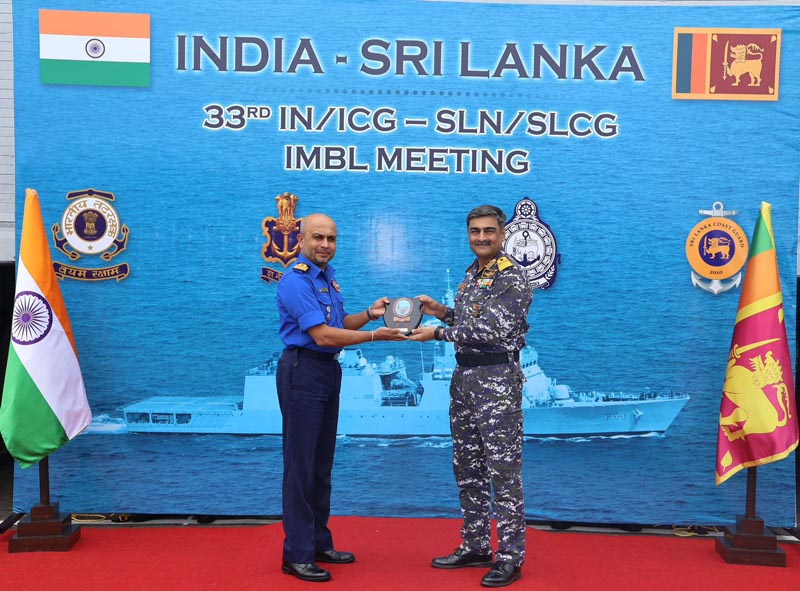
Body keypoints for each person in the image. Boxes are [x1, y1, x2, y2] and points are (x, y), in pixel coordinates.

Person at [276, 213, 408, 582]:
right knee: (300, 467)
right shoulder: (296, 281)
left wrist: (369, 315)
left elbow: (338, 325)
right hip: (303, 371)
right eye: (318, 237)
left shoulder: (326, 278)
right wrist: (376, 337)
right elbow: (322, 336)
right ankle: (296, 554)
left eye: (331, 239)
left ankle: (318, 543)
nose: (325, 245)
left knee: (321, 465)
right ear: (301, 239)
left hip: (327, 370)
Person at [411, 204, 532, 588]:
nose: (481, 237)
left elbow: (491, 331)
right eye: (475, 231)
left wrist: (438, 332)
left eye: (488, 231)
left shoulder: (512, 278)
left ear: (502, 234)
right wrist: (441, 312)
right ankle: (476, 545)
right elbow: (470, 321)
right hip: (464, 380)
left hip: (497, 380)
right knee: (467, 468)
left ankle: (510, 557)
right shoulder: (472, 275)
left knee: (503, 472)